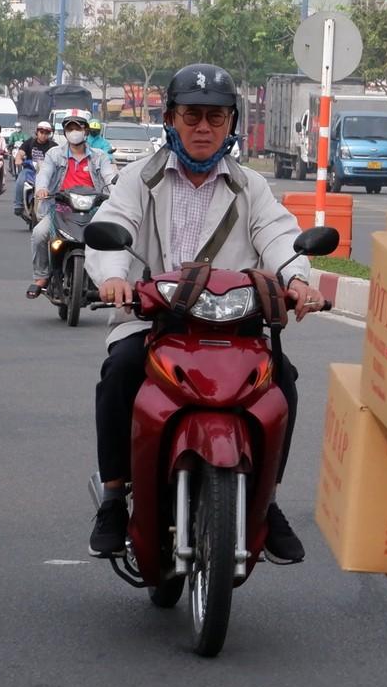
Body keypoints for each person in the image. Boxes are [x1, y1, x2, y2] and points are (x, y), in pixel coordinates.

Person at [83, 65, 324, 563]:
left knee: (284, 381)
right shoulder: (140, 178)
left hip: (233, 325)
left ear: (231, 123)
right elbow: (113, 222)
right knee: (120, 371)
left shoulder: (249, 185)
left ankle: (268, 500)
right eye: (192, 115)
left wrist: (298, 280)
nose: (203, 127)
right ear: (171, 118)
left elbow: (279, 235)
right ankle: (112, 498)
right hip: (151, 319)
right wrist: (113, 276)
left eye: (215, 117)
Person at [25, 114, 112, 289]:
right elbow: (45, 173)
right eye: (70, 129)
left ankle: (107, 278)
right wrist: (42, 188)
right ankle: (41, 276)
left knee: (111, 238)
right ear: (65, 133)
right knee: (39, 234)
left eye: (78, 128)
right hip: (60, 207)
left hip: (93, 209)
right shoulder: (54, 154)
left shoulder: (99, 156)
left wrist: (116, 190)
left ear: (85, 131)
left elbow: (109, 175)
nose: (74, 132)